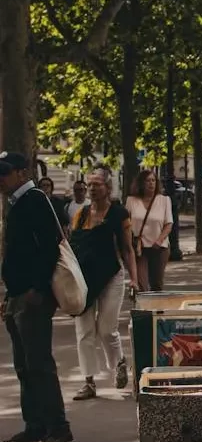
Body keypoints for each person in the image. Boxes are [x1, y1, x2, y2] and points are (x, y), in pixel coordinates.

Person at [0, 152, 74, 442]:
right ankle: (35, 425)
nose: (1, 179)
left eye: (5, 173)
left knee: (38, 363)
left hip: (32, 296)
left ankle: (58, 428)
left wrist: (37, 289)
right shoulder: (16, 203)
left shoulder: (34, 200)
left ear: (21, 173)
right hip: (18, 294)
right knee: (24, 365)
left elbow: (50, 248)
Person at [68, 167, 138, 401]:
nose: (92, 188)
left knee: (106, 329)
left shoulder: (119, 214)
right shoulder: (81, 214)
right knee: (84, 331)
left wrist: (135, 280)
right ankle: (88, 381)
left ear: (108, 188)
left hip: (111, 276)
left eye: (97, 184)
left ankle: (118, 362)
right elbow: (72, 246)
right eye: (89, 185)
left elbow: (128, 250)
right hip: (84, 278)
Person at [125, 168, 173, 291]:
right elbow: (126, 224)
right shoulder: (131, 201)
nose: (151, 183)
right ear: (141, 183)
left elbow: (169, 224)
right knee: (141, 284)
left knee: (156, 283)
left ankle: (158, 309)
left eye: (153, 180)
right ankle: (144, 309)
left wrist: (159, 240)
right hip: (139, 248)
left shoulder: (164, 200)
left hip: (159, 247)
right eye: (147, 181)